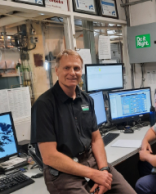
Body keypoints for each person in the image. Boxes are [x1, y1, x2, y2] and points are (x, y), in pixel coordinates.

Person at [31, 49, 136, 194]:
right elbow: (49, 157)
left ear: (81, 71)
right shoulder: (44, 105)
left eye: (76, 68)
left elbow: (96, 139)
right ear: (56, 71)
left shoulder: (87, 100)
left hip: (90, 161)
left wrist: (103, 170)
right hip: (62, 171)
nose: (72, 72)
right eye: (66, 68)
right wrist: (94, 174)